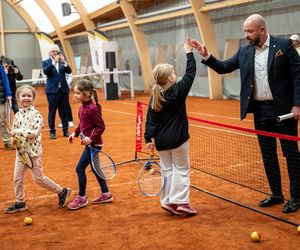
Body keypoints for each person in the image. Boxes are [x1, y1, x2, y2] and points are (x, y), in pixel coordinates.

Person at [191, 14, 300, 213]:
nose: (246, 35)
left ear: (262, 30)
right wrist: (205, 55)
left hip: (284, 111)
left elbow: (298, 76)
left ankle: (296, 197)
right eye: (245, 31)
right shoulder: (244, 51)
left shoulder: (284, 46)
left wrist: (297, 105)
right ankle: (276, 194)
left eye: (249, 31)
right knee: (268, 154)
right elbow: (224, 67)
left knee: (290, 154)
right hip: (260, 111)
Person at [144, 38, 197, 216]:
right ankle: (181, 202)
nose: (176, 74)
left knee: (167, 170)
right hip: (178, 140)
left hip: (161, 142)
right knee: (182, 170)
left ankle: (167, 201)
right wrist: (189, 52)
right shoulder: (179, 91)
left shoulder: (155, 96)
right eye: (173, 72)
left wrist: (147, 139)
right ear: (169, 78)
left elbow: (150, 120)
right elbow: (190, 74)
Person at [5, 85, 71, 214]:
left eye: (29, 96)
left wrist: (18, 131)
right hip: (21, 153)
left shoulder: (37, 115)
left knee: (38, 178)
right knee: (17, 179)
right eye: (23, 96)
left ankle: (62, 191)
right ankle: (20, 202)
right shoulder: (17, 115)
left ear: (33, 98)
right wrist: (14, 138)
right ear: (18, 98)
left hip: (33, 153)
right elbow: (14, 130)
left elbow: (33, 133)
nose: (26, 98)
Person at [67, 79, 113, 210]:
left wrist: (91, 139)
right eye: (74, 93)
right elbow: (82, 124)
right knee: (96, 168)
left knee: (79, 169)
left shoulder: (92, 108)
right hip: (90, 144)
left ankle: (81, 198)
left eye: (77, 93)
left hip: (94, 145)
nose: (75, 95)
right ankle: (106, 194)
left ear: (87, 93)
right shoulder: (82, 107)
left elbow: (101, 126)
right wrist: (74, 133)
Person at [42, 45, 72, 139]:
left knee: (64, 111)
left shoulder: (62, 61)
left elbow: (69, 71)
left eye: (57, 51)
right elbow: (46, 71)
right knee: (52, 112)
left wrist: (65, 62)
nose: (55, 53)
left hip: (63, 90)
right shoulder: (46, 62)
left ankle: (65, 130)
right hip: (52, 91)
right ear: (50, 53)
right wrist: (54, 62)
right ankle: (52, 132)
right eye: (53, 51)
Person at [0, 61, 14, 150]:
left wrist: (8, 93)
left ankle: (7, 141)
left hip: (0, 98)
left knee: (2, 121)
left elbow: (5, 79)